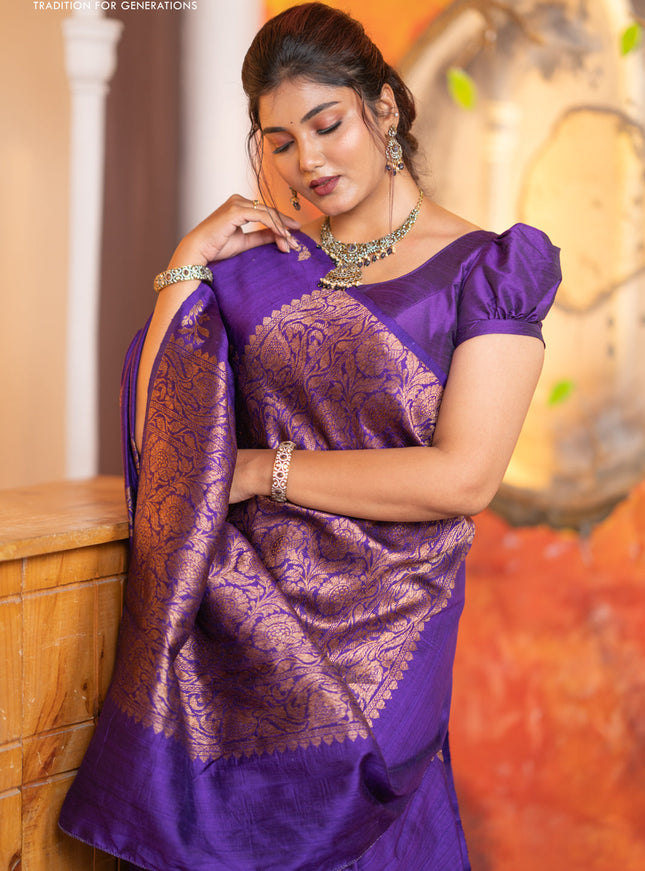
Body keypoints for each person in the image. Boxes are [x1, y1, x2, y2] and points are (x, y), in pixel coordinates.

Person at [60, 3, 561, 869]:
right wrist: (186, 262)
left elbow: (463, 477)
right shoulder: (259, 271)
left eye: (328, 125)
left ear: (384, 108)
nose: (309, 161)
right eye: (281, 141)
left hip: (389, 642)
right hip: (245, 641)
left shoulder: (484, 270)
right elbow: (161, 439)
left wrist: (262, 469)